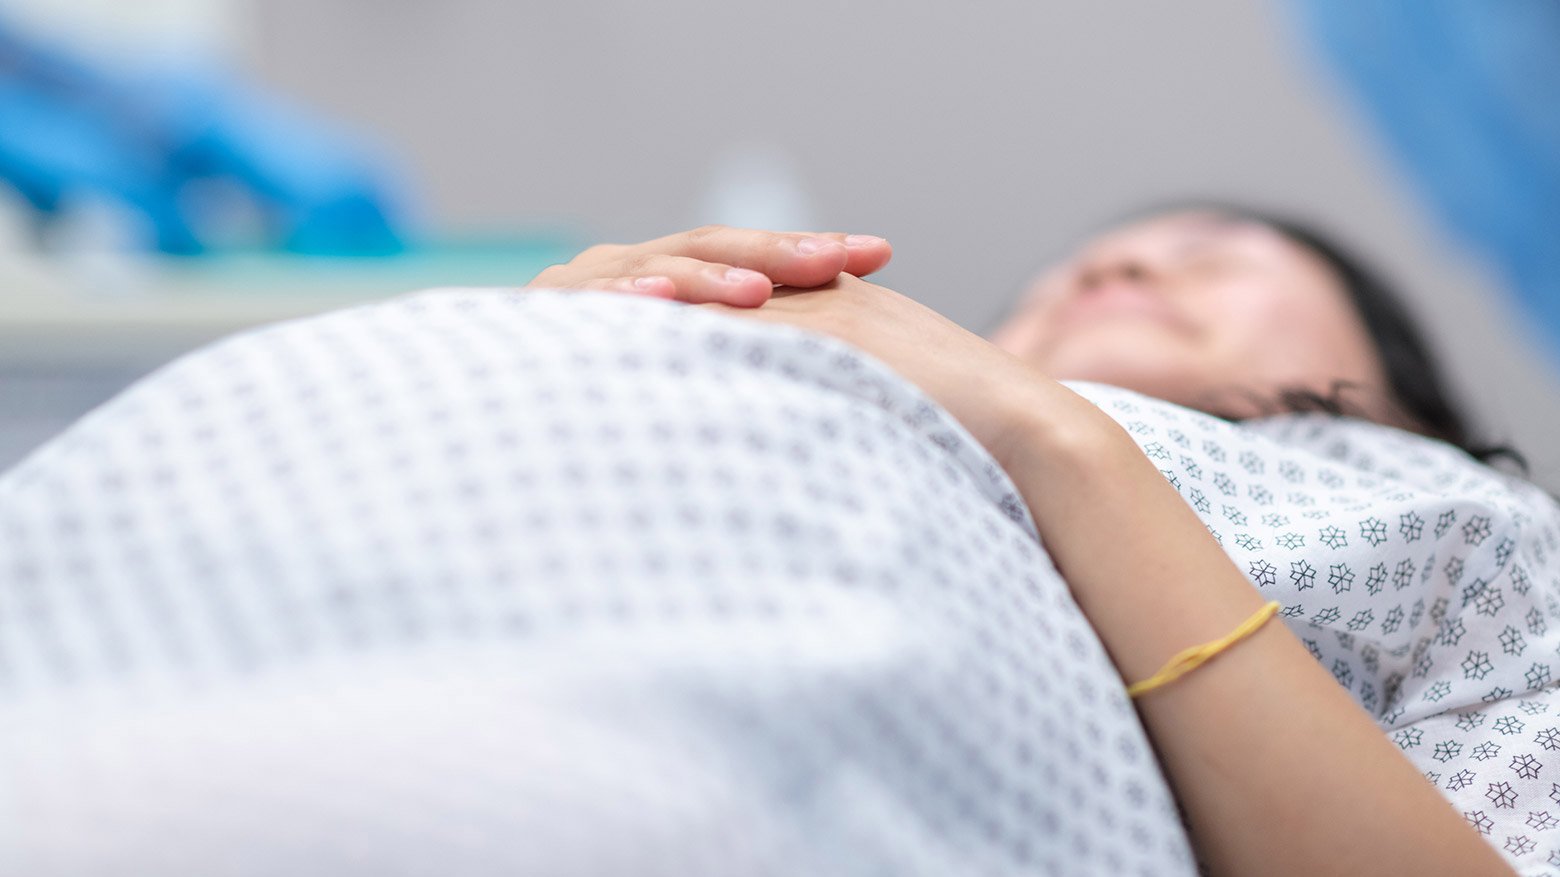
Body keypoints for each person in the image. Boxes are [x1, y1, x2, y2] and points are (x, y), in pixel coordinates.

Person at [2, 207, 1554, 876]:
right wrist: (564, 339)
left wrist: (1051, 435)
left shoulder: (1466, 533)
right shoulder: (891, 372)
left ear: (1407, 406)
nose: (1128, 253)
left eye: (1223, 256)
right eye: (1069, 271)